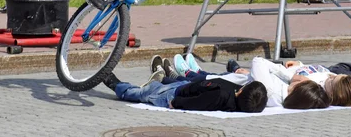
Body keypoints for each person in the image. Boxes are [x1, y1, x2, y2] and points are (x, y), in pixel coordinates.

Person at [158, 54, 330, 110]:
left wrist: (289, 75)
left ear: (298, 89)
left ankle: (175, 75)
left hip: (224, 82)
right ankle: (183, 74)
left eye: (302, 82)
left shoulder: (272, 89)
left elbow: (258, 61)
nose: (301, 80)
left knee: (192, 82)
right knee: (204, 78)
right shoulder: (282, 93)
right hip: (234, 80)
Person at [103, 67, 268, 113]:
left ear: (242, 91)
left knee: (140, 94)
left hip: (172, 95)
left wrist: (177, 103)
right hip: (181, 87)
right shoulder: (233, 96)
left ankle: (114, 84)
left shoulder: (221, 95)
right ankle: (160, 79)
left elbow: (197, 102)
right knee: (151, 89)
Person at [253, 57, 351, 107]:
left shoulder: (310, 90)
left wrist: (291, 76)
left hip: (270, 72)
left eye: (332, 80)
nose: (331, 76)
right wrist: (299, 64)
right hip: (275, 71)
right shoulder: (331, 78)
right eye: (335, 76)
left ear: (331, 94)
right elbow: (316, 70)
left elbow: (259, 63)